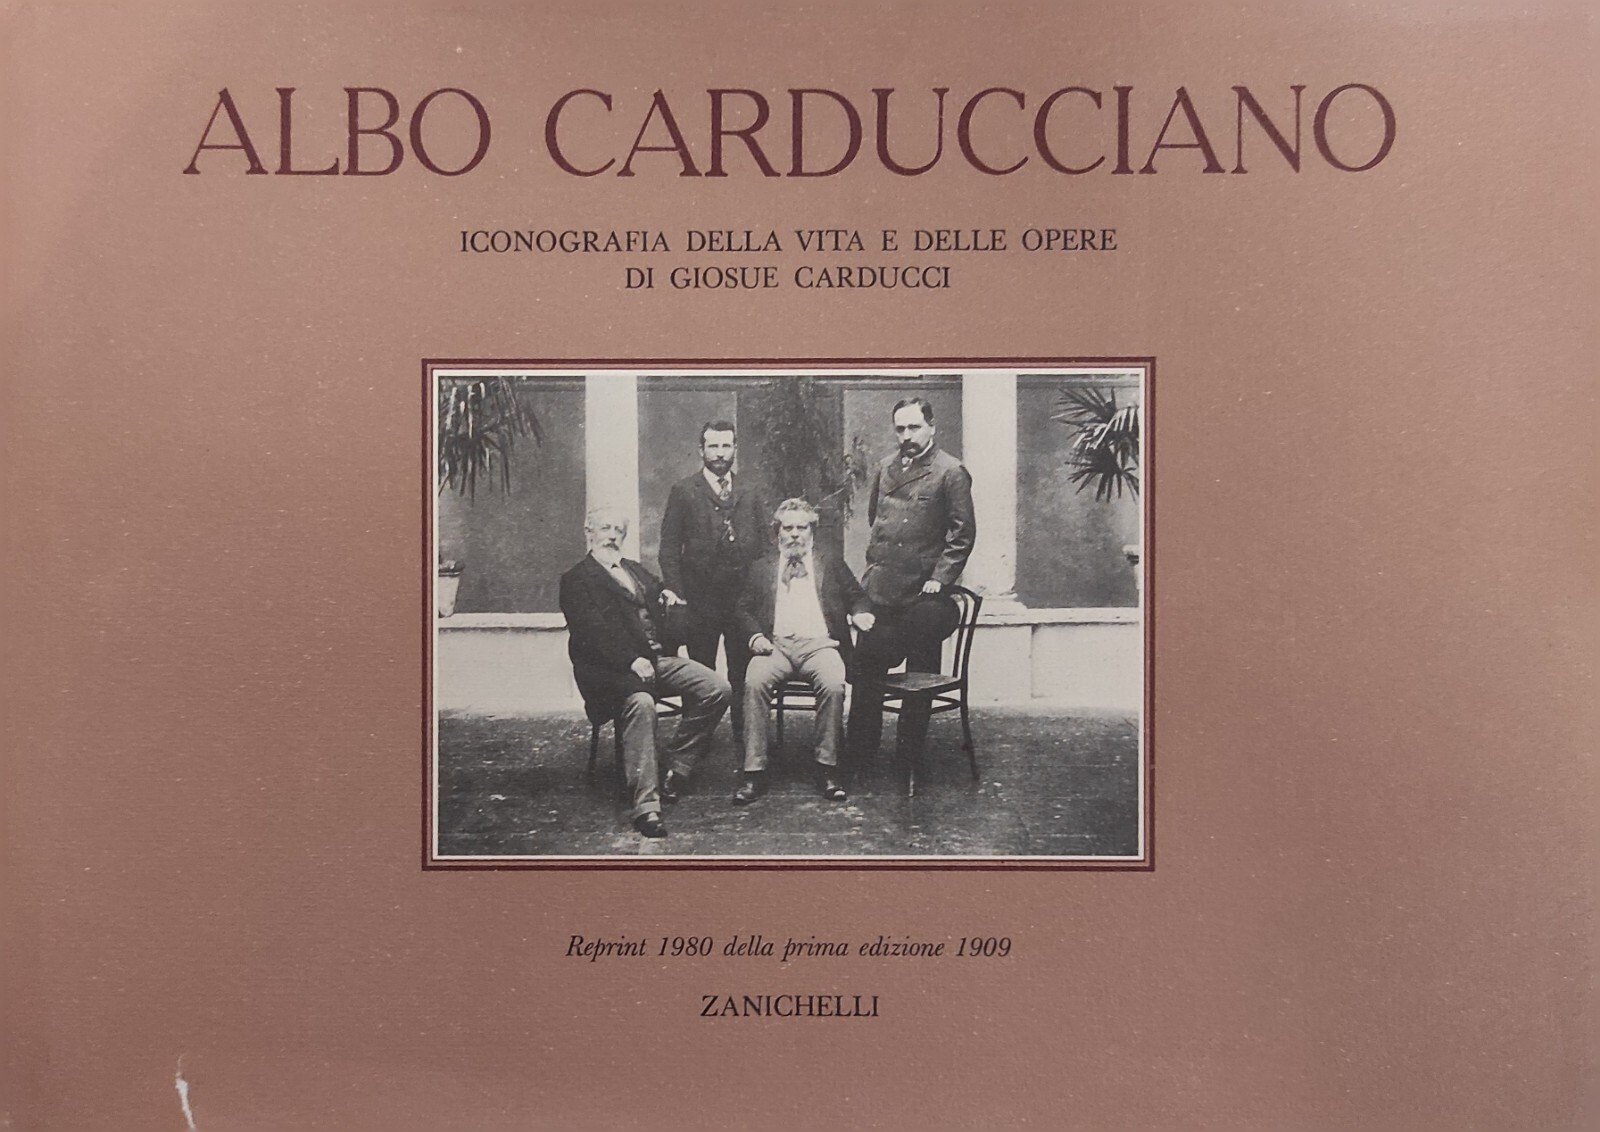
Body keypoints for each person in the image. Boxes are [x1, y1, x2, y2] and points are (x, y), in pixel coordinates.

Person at [558, 506, 729, 838]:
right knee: (642, 704)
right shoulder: (577, 579)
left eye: (618, 531)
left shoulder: (634, 569)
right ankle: (646, 806)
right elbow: (590, 632)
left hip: (653, 660)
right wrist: (629, 661)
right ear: (588, 532)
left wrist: (667, 596)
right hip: (608, 670)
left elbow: (657, 590)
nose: (611, 536)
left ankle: (678, 766)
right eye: (605, 528)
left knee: (716, 689)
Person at [846, 396, 976, 768]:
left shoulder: (950, 471)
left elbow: (962, 534)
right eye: (900, 428)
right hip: (882, 588)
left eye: (914, 427)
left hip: (922, 595)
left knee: (919, 671)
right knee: (867, 669)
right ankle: (860, 753)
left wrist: (940, 578)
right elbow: (876, 520)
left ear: (932, 427)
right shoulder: (885, 467)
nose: (907, 435)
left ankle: (910, 755)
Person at [731, 499, 873, 804]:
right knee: (754, 682)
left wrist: (861, 613)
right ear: (777, 532)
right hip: (775, 646)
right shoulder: (762, 567)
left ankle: (827, 768)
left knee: (833, 685)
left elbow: (858, 596)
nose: (795, 534)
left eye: (801, 527)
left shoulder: (830, 563)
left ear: (812, 531)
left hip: (820, 645)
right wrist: (755, 636)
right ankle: (754, 772)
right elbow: (741, 608)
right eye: (788, 528)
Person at [658, 420, 770, 748]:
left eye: (726, 446)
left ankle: (745, 741)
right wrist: (678, 595)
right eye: (713, 446)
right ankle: (696, 743)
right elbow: (669, 549)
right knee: (700, 674)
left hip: (741, 603)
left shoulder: (750, 491)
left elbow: (766, 546)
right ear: (701, 450)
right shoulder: (684, 491)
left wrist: (759, 594)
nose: (720, 453)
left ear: (735, 449)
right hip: (700, 602)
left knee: (742, 672)